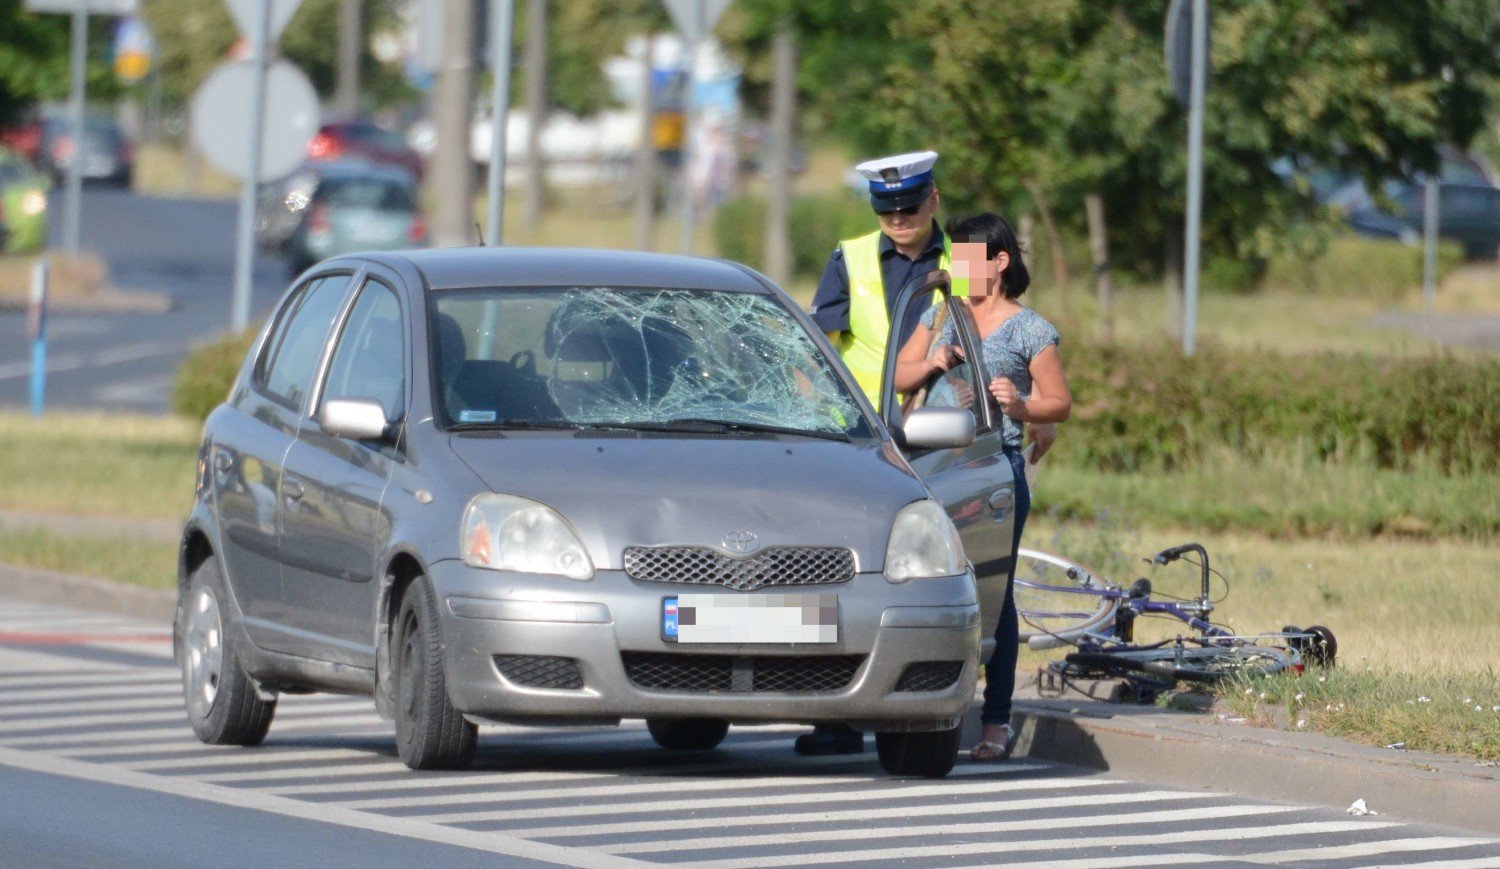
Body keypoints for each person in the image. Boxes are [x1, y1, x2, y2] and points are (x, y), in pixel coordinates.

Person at [894, 211, 1071, 761]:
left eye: (971, 255)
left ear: (998, 261)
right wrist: (933, 364)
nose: (960, 266)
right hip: (929, 463)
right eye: (956, 255)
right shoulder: (941, 313)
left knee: (994, 587)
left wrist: (1019, 406)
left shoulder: (1031, 329)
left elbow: (1059, 402)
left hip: (995, 471)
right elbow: (898, 375)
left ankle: (996, 719)